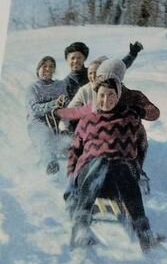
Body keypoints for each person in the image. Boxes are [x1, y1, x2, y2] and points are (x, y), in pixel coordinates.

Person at [65, 76, 160, 252]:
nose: (106, 99)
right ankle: (80, 226)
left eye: (111, 95)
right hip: (89, 177)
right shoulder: (87, 119)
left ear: (118, 96)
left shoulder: (130, 117)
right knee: (101, 161)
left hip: (119, 181)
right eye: (102, 95)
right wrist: (71, 179)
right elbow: (74, 151)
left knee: (120, 164)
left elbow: (142, 144)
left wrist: (137, 167)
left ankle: (144, 233)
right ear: (96, 96)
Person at [59, 57, 159, 170]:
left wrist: (141, 110)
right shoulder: (93, 90)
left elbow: (155, 113)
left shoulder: (133, 95)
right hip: (100, 132)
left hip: (126, 132)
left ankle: (137, 169)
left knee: (140, 135)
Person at [25, 56, 70, 174]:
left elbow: (67, 103)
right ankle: (51, 166)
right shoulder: (33, 88)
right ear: (38, 69)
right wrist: (53, 103)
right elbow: (34, 109)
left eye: (51, 67)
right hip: (37, 123)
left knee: (69, 142)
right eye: (44, 66)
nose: (48, 69)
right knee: (46, 137)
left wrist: (63, 101)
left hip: (57, 122)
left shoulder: (60, 85)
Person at [66, 42, 144, 110]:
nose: (76, 61)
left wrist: (132, 54)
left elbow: (120, 65)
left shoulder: (96, 71)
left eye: (79, 57)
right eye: (72, 58)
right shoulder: (68, 82)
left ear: (84, 58)